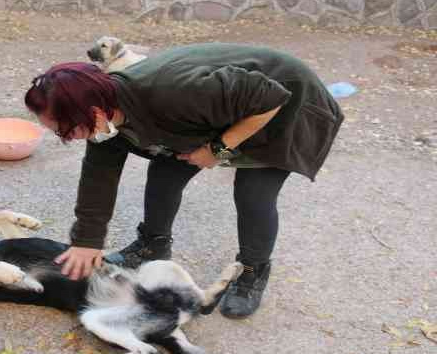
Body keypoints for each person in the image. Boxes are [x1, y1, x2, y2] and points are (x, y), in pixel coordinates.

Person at [23, 42, 344, 318]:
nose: (64, 137)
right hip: (223, 111)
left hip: (285, 106)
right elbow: (97, 179)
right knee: (166, 171)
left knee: (253, 194)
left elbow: (271, 96)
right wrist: (86, 241)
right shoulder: (106, 117)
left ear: (92, 113)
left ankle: (252, 271)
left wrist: (217, 150)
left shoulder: (171, 93)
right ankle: (152, 245)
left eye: (64, 130)